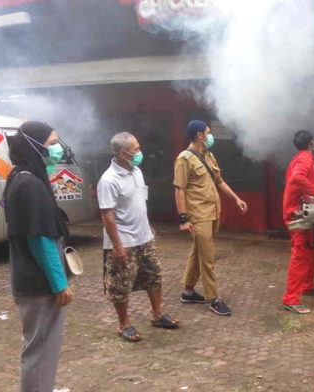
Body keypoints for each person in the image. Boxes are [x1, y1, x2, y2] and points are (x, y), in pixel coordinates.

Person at [3, 121, 73, 392]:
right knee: (41, 349)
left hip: (30, 278)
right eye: (52, 142)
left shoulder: (20, 176)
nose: (57, 148)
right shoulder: (29, 184)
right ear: (35, 145)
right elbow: (41, 239)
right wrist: (60, 284)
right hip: (38, 283)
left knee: (41, 346)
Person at [97, 132, 179, 342]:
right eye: (136, 149)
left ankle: (157, 314)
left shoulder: (136, 171)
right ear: (123, 153)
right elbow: (107, 214)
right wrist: (117, 245)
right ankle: (123, 324)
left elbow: (139, 201)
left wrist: (148, 224)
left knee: (154, 276)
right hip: (124, 241)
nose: (140, 153)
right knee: (120, 285)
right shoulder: (108, 180)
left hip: (145, 238)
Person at [173, 120, 247, 316]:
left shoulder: (209, 155)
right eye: (208, 131)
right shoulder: (184, 159)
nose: (210, 134)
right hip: (198, 215)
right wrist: (183, 219)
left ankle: (188, 292)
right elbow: (179, 189)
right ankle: (214, 298)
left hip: (213, 212)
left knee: (198, 251)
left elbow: (219, 181)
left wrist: (236, 198)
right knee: (208, 257)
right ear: (199, 135)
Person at [281, 130, 314, 314]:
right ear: (311, 143)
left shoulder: (302, 158)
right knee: (300, 255)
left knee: (311, 251)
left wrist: (313, 194)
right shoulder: (304, 159)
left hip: (305, 212)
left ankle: (308, 285)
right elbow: (297, 178)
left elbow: (300, 182)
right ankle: (290, 299)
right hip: (297, 214)